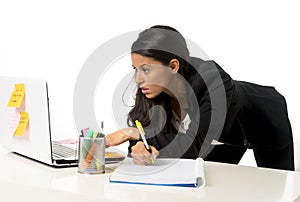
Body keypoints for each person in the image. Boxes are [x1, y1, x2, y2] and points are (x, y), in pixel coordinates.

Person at [105, 25, 295, 171]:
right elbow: (150, 132)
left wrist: (136, 134)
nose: (138, 80)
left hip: (264, 122)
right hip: (218, 138)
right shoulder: (152, 88)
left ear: (173, 66)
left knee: (281, 189)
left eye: (145, 69)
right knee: (207, 185)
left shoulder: (212, 80)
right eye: (135, 70)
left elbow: (193, 146)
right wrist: (138, 146)